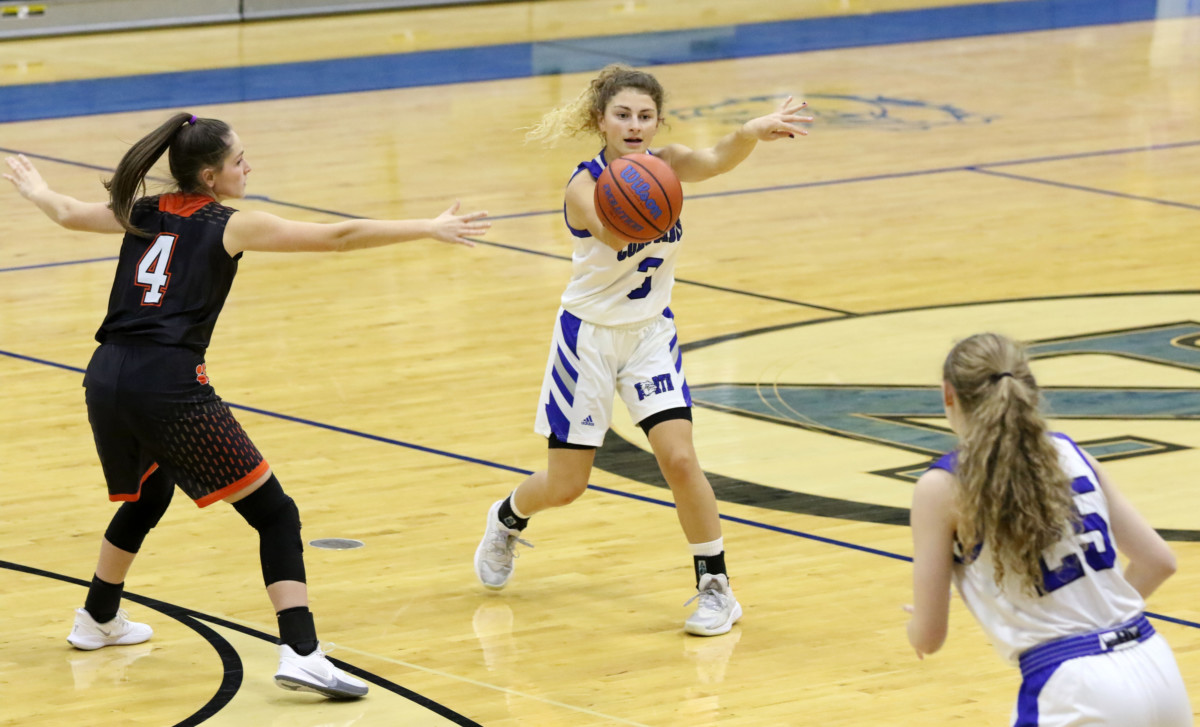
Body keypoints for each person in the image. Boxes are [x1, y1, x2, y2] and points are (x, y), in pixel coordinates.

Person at [4, 112, 489, 699]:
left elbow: (66, 214)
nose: (248, 167)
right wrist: (428, 227)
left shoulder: (145, 212)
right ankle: (305, 654)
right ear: (210, 176)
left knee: (149, 492)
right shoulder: (229, 224)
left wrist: (36, 191)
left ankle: (98, 618)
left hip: (105, 376)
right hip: (167, 383)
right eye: (239, 161)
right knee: (275, 514)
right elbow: (338, 238)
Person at [473, 64, 811, 636]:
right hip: (588, 339)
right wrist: (646, 195)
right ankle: (507, 519)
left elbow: (717, 158)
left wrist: (751, 131)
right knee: (567, 485)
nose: (635, 126)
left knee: (679, 459)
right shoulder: (583, 187)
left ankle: (715, 586)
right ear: (599, 121)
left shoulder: (671, 164)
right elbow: (621, 232)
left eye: (645, 116)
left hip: (650, 333)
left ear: (657, 122)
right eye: (623, 115)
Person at [906, 332, 1192, 725]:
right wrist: (1091, 613)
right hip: (1156, 665)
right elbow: (1159, 561)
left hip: (1076, 687)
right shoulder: (1071, 453)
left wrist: (916, 624)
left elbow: (929, 636)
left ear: (948, 395)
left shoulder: (942, 486)